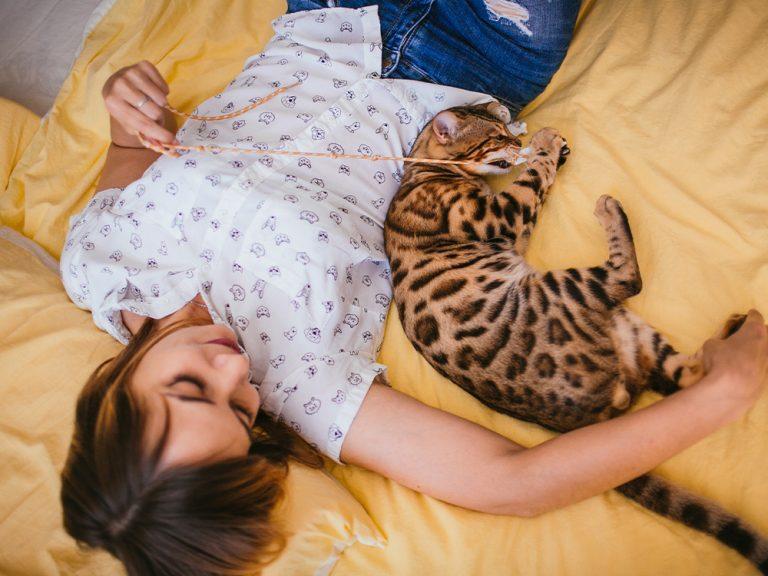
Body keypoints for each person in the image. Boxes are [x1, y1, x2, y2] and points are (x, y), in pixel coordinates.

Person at [58, 3, 768, 575]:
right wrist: (718, 397)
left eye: (190, 387)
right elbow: (512, 485)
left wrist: (126, 99)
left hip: (324, 17)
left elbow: (132, 144)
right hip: (471, 53)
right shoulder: (305, 386)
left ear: (111, 386)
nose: (235, 369)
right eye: (242, 413)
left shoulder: (97, 262)